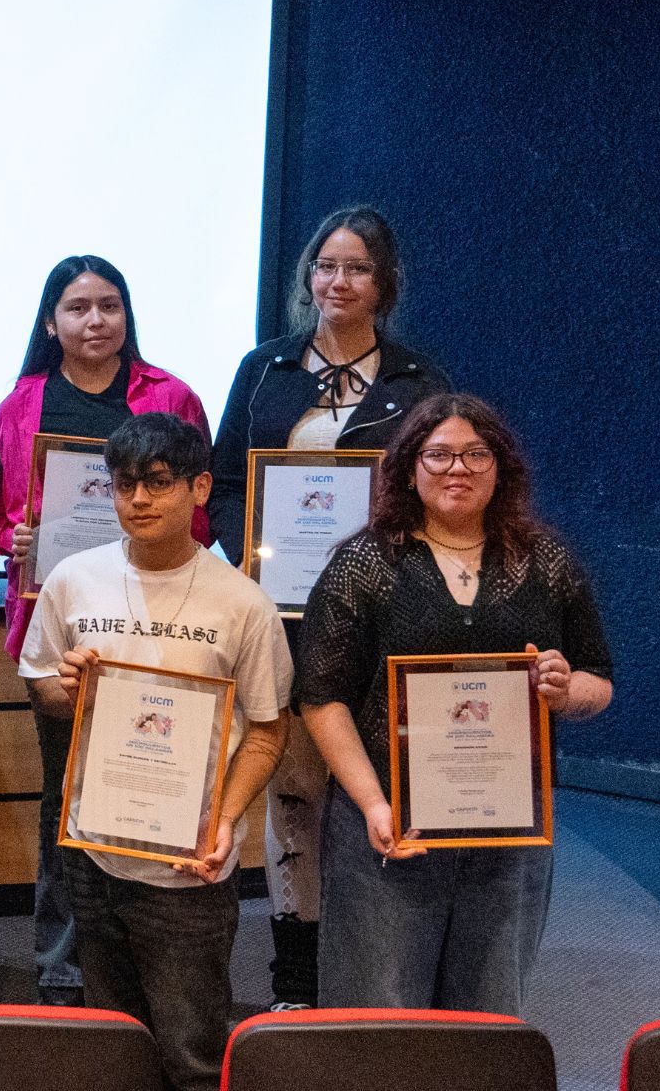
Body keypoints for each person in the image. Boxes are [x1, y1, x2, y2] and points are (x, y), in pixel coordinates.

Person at [206, 205, 451, 1009]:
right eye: (325, 266)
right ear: (307, 277)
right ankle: (296, 977)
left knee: (370, 789)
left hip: (375, 617)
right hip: (277, 617)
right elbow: (228, 483)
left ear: (384, 285)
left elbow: (436, 493)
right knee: (294, 793)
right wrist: (243, 556)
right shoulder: (266, 370)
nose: (337, 281)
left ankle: (378, 967)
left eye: (356, 268)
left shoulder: (418, 382)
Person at [298, 393, 611, 1013]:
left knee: (486, 1016)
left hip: (509, 829)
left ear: (502, 466)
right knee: (378, 1014)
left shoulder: (545, 562)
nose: (457, 469)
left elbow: (597, 679)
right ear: (409, 469)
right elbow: (321, 698)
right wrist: (371, 803)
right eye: (437, 454)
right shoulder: (364, 564)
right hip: (389, 822)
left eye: (475, 453)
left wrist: (564, 688)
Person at [20, 412, 290, 1091]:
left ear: (201, 488)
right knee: (117, 1046)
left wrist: (223, 820)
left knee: (192, 1050)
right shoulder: (73, 579)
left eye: (159, 483)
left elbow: (267, 729)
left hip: (186, 866)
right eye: (124, 485)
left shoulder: (244, 603)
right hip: (93, 848)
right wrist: (67, 685)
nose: (138, 500)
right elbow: (43, 686)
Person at [0, 254, 212, 1005]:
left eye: (108, 306)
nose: (94, 321)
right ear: (52, 322)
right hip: (64, 625)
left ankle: (146, 948)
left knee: (152, 773)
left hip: (163, 622)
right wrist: (10, 540)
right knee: (65, 797)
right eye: (77, 308)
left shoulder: (171, 396)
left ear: (126, 314)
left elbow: (200, 514)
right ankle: (62, 962)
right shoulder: (21, 404)